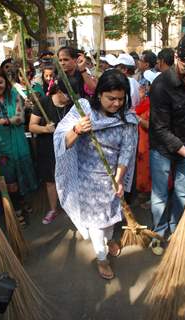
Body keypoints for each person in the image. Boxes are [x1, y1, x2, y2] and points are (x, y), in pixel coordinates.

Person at [54, 69, 138, 280]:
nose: (117, 104)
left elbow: (126, 152)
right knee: (97, 225)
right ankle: (101, 258)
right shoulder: (83, 111)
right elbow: (62, 141)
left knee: (109, 219)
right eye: (111, 98)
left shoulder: (127, 118)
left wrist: (119, 179)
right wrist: (76, 129)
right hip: (86, 181)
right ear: (99, 94)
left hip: (111, 179)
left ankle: (109, 240)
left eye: (121, 99)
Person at [149, 33, 185, 255]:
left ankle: (176, 229)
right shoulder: (161, 85)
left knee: (182, 192)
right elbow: (161, 130)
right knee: (160, 194)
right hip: (162, 149)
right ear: (175, 57)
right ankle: (159, 231)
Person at [0, 66, 37, 226]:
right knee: (10, 181)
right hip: (0, 148)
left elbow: (19, 118)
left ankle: (23, 201)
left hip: (19, 144)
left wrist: (1, 121)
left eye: (0, 82)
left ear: (5, 81)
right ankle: (17, 210)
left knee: (22, 176)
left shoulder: (14, 95)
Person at [29, 83, 69, 224]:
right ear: (58, 91)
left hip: (67, 146)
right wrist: (46, 129)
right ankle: (53, 209)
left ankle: (70, 207)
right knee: (50, 180)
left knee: (67, 177)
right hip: (47, 147)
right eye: (67, 94)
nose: (70, 98)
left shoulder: (71, 105)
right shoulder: (44, 103)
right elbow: (32, 126)